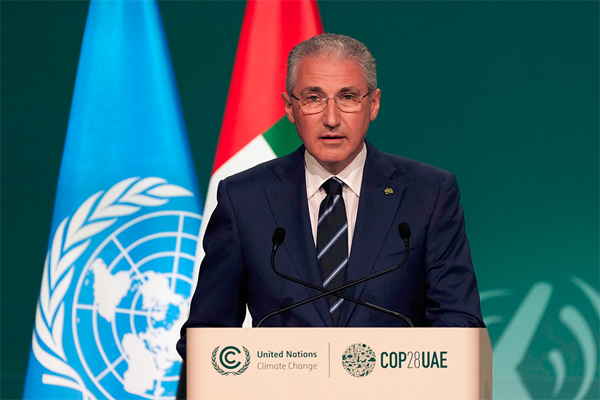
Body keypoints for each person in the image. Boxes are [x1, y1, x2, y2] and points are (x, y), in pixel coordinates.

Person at [177, 32, 484, 359]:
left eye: (348, 97)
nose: (332, 118)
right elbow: (208, 334)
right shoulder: (244, 199)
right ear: (289, 108)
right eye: (313, 98)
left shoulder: (429, 193)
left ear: (374, 104)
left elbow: (459, 321)